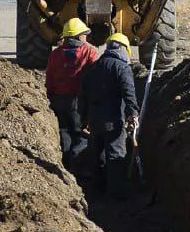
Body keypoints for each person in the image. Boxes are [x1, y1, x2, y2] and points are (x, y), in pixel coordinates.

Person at [81, 32, 139, 195]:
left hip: (94, 120)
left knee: (96, 155)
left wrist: (84, 119)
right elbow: (129, 93)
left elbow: (83, 95)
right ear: (124, 50)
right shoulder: (122, 68)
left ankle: (97, 191)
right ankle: (115, 194)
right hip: (113, 120)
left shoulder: (93, 67)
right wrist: (133, 113)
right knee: (115, 156)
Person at [45, 18, 99, 165]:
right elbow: (95, 77)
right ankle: (78, 164)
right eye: (84, 34)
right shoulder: (89, 52)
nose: (86, 37)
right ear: (79, 36)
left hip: (58, 99)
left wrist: (50, 96)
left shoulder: (56, 54)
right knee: (80, 133)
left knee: (64, 131)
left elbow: (49, 77)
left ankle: (66, 163)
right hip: (78, 101)